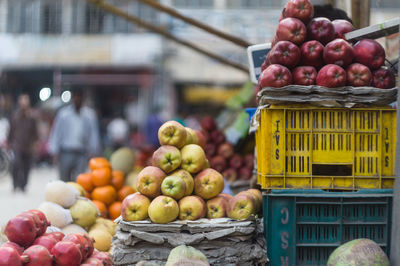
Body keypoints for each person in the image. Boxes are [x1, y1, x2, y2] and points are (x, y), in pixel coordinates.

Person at [49, 89, 100, 182]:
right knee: (64, 179)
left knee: (80, 180)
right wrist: (54, 150)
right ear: (72, 98)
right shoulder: (63, 114)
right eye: (76, 97)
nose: (77, 99)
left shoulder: (89, 115)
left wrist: (93, 150)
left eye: (80, 97)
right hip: (66, 151)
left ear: (83, 99)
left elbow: (93, 134)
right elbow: (57, 132)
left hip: (81, 153)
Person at [7, 94, 38, 192]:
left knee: (26, 167)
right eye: (22, 101)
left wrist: (36, 144)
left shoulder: (32, 117)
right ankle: (15, 184)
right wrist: (9, 143)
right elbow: (10, 131)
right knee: (16, 164)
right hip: (17, 145)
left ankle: (23, 185)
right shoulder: (15, 116)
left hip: (28, 146)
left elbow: (35, 132)